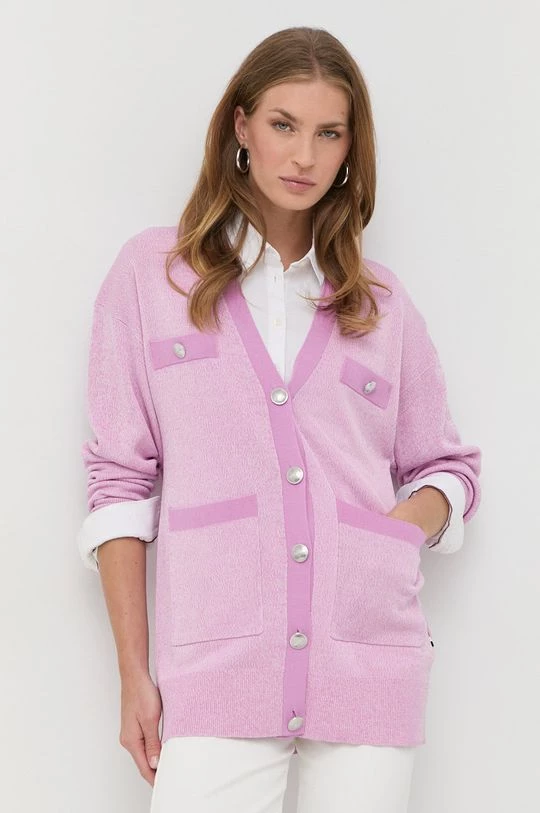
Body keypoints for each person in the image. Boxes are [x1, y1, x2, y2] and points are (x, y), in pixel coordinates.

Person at [77, 26, 482, 813]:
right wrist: (133, 673)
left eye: (329, 133)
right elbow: (121, 480)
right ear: (241, 126)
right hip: (215, 660)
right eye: (283, 124)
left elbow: (447, 465)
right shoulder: (153, 276)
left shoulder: (381, 305)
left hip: (368, 657)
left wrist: (397, 532)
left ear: (351, 148)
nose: (303, 156)